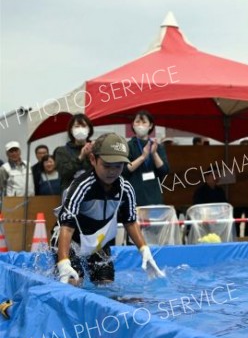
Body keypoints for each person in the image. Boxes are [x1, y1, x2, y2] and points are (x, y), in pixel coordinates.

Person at [53, 133, 165, 285]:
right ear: (93, 160)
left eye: (118, 166)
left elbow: (130, 222)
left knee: (106, 284)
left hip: (98, 241)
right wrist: (63, 262)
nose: (112, 171)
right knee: (73, 282)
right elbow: (67, 226)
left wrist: (144, 249)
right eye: (107, 166)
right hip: (70, 240)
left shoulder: (126, 189)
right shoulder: (81, 186)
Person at [123, 110, 170, 206]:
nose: (140, 125)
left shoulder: (157, 146)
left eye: (144, 122)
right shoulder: (128, 146)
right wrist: (143, 157)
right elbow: (125, 170)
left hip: (154, 196)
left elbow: (164, 171)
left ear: (150, 125)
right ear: (133, 125)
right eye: (137, 122)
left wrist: (154, 154)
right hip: (135, 197)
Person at [54, 113, 94, 192]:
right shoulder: (62, 151)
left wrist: (91, 156)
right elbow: (63, 172)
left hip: (93, 192)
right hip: (70, 193)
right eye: (77, 126)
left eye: (83, 126)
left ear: (89, 129)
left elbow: (102, 171)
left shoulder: (95, 148)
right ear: (71, 130)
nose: (80, 129)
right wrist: (80, 157)